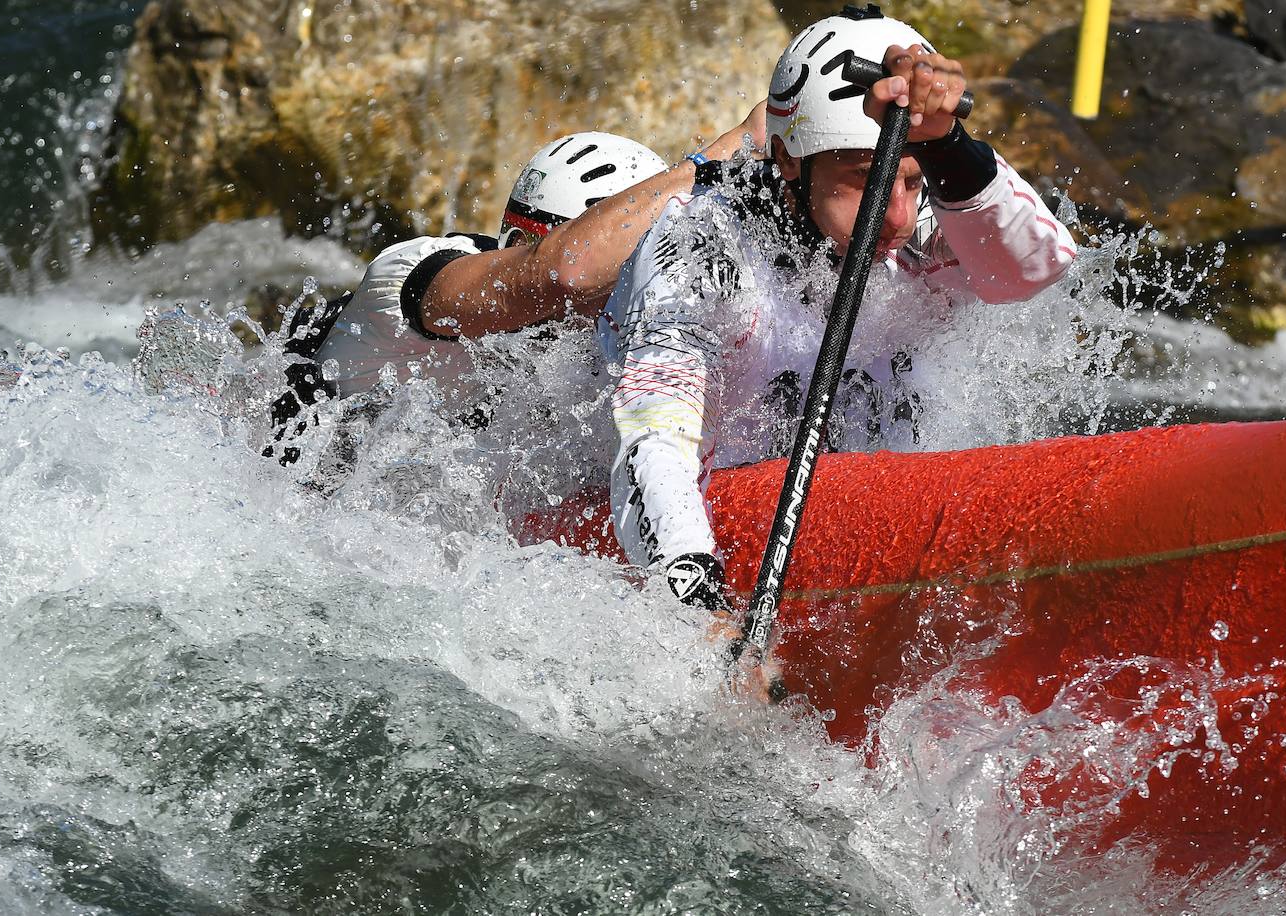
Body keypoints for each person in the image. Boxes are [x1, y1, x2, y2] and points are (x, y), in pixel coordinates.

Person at [602, 5, 1078, 611]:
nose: (898, 217)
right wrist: (699, 603)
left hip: (875, 531)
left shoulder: (931, 224)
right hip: (714, 529)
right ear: (788, 161)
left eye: (913, 181)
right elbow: (655, 438)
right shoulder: (705, 248)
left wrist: (949, 147)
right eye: (865, 180)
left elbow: (1031, 271)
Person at [265, 111, 765, 463]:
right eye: (618, 273)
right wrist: (719, 159)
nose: (630, 291)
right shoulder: (416, 281)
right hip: (289, 485)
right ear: (521, 242)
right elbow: (558, 275)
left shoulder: (619, 337)